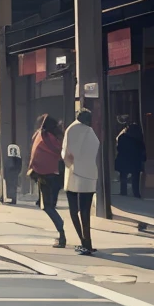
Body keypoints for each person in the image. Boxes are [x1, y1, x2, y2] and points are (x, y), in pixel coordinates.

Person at [63, 109, 100, 256]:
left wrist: (71, 164)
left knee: (74, 210)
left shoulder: (71, 129)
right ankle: (88, 242)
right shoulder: (90, 132)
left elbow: (67, 153)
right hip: (90, 173)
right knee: (85, 210)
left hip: (74, 173)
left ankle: (84, 242)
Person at [27, 114, 66, 247]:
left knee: (47, 206)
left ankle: (62, 233)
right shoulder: (57, 138)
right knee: (50, 205)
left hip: (44, 175)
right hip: (56, 175)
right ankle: (61, 232)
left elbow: (35, 154)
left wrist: (32, 169)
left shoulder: (42, 137)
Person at [115, 120, 146, 199]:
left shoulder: (122, 137)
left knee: (123, 176)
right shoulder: (139, 137)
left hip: (124, 159)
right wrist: (143, 159)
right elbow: (142, 149)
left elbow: (119, 148)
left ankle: (123, 191)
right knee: (135, 177)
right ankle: (136, 193)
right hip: (136, 160)